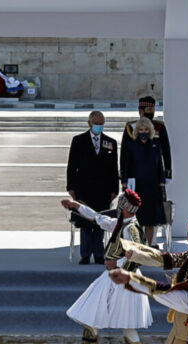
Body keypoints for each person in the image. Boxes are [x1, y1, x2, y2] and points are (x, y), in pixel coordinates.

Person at [56, 189, 152, 344]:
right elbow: (100, 219)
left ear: (125, 207)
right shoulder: (123, 224)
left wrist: (118, 267)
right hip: (117, 278)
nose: (118, 205)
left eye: (121, 203)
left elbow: (139, 255)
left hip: (120, 279)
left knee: (109, 321)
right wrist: (77, 207)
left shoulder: (129, 229)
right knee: (117, 324)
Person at [66, 110, 119, 265]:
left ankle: (99, 253)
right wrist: (71, 187)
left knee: (100, 221)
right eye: (96, 123)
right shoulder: (78, 140)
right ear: (89, 123)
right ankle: (85, 254)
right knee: (85, 221)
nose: (99, 126)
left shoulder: (110, 142)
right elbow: (72, 165)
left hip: (103, 189)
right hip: (84, 188)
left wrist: (114, 189)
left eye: (101, 123)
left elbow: (114, 168)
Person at [120, 117, 167, 245]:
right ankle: (138, 247)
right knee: (138, 221)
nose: (143, 131)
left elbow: (159, 166)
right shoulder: (131, 145)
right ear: (137, 131)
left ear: (150, 130)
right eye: (141, 129)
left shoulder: (156, 144)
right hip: (137, 188)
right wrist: (124, 183)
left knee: (150, 221)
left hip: (152, 188)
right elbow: (127, 165)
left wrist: (162, 183)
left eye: (146, 129)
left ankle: (148, 247)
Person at [123, 95, 172, 182]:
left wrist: (167, 172)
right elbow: (124, 153)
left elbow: (166, 150)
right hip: (135, 172)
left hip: (154, 172)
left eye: (153, 110)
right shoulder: (131, 127)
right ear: (141, 111)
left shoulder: (159, 127)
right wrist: (123, 175)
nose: (152, 113)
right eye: (149, 110)